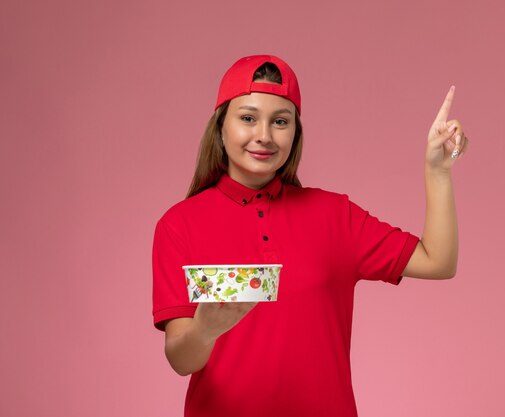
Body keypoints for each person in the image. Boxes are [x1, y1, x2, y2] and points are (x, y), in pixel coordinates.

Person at [152, 54, 468, 417]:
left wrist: (438, 171)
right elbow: (180, 358)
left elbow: (439, 261)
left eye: (280, 122)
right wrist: (204, 332)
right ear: (220, 128)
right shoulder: (180, 225)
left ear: (295, 133)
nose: (264, 136)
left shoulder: (334, 216)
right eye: (248, 118)